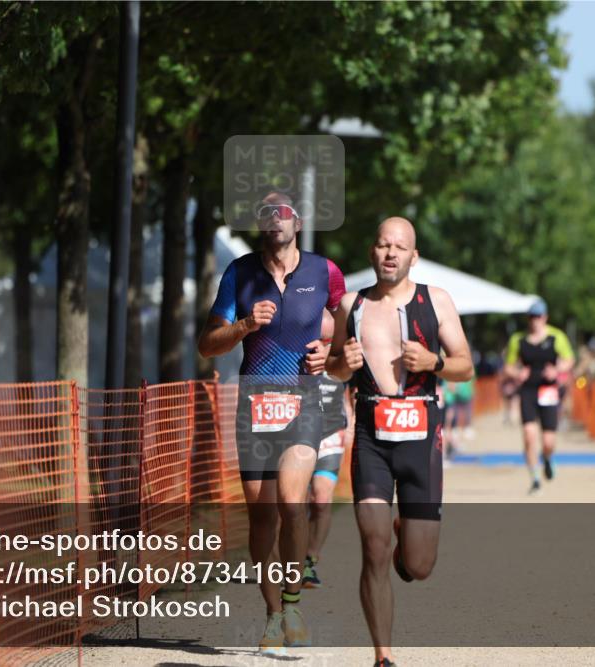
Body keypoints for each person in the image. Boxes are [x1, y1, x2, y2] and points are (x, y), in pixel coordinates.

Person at [197, 191, 345, 654]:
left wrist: (333, 353)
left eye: (282, 212)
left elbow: (348, 323)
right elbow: (207, 344)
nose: (274, 219)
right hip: (255, 404)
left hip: (303, 401)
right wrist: (243, 326)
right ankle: (273, 612)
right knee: (261, 521)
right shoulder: (239, 273)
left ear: (297, 222)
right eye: (266, 213)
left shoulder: (324, 271)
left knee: (291, 501)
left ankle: (294, 601)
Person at [327, 217, 473, 667]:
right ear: (372, 252)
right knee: (373, 549)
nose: (390, 253)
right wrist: (342, 364)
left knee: (418, 566)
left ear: (414, 257)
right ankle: (383, 656)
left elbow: (465, 366)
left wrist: (434, 361)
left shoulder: (437, 301)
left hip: (421, 438)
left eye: (400, 247)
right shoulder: (350, 305)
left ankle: (404, 533)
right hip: (371, 437)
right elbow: (332, 366)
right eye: (383, 244)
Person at [503, 300, 574, 494]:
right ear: (529, 319)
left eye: (539, 316)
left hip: (548, 391)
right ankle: (534, 477)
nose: (536, 321)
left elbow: (569, 359)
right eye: (533, 317)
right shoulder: (518, 340)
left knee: (548, 440)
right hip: (527, 391)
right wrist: (517, 374)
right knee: (528, 435)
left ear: (545, 317)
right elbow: (508, 366)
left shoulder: (556, 336)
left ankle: (548, 458)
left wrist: (558, 370)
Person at [302, 310, 350, 589]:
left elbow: (355, 384)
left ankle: (310, 560)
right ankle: (288, 560)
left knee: (320, 499)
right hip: (297, 430)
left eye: (328, 338)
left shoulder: (344, 345)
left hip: (331, 431)